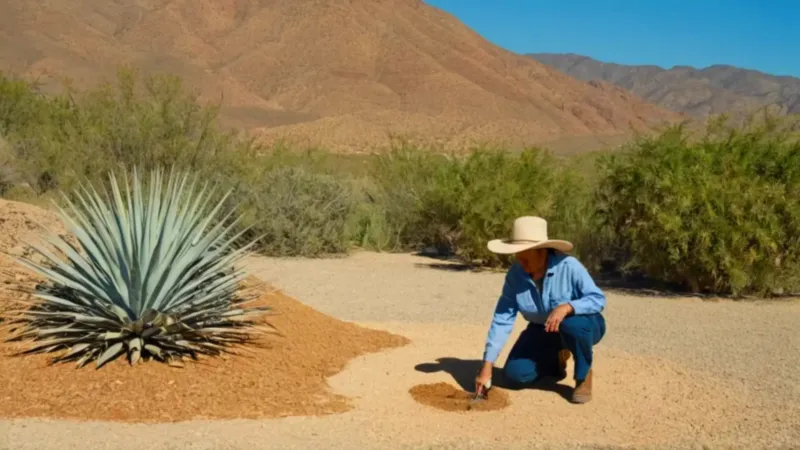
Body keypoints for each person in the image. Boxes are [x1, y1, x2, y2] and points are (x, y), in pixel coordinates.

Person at [475, 216, 606, 404]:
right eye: (518, 256)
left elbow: (597, 299)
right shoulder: (516, 275)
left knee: (574, 325)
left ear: (543, 252)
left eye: (526, 257)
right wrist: (487, 365)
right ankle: (556, 362)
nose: (522, 263)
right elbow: (502, 319)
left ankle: (583, 375)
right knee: (514, 375)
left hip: (584, 325)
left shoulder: (569, 267)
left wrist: (569, 307)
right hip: (543, 329)